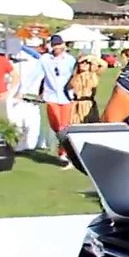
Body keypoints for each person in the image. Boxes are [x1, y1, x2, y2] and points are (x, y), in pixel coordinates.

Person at [39, 35, 76, 163]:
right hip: (51, 96)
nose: (57, 48)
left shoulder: (70, 60)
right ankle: (63, 148)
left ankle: (64, 153)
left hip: (66, 97)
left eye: (59, 45)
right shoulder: (45, 59)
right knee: (55, 126)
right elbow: (37, 73)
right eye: (54, 45)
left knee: (63, 126)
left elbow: (75, 76)